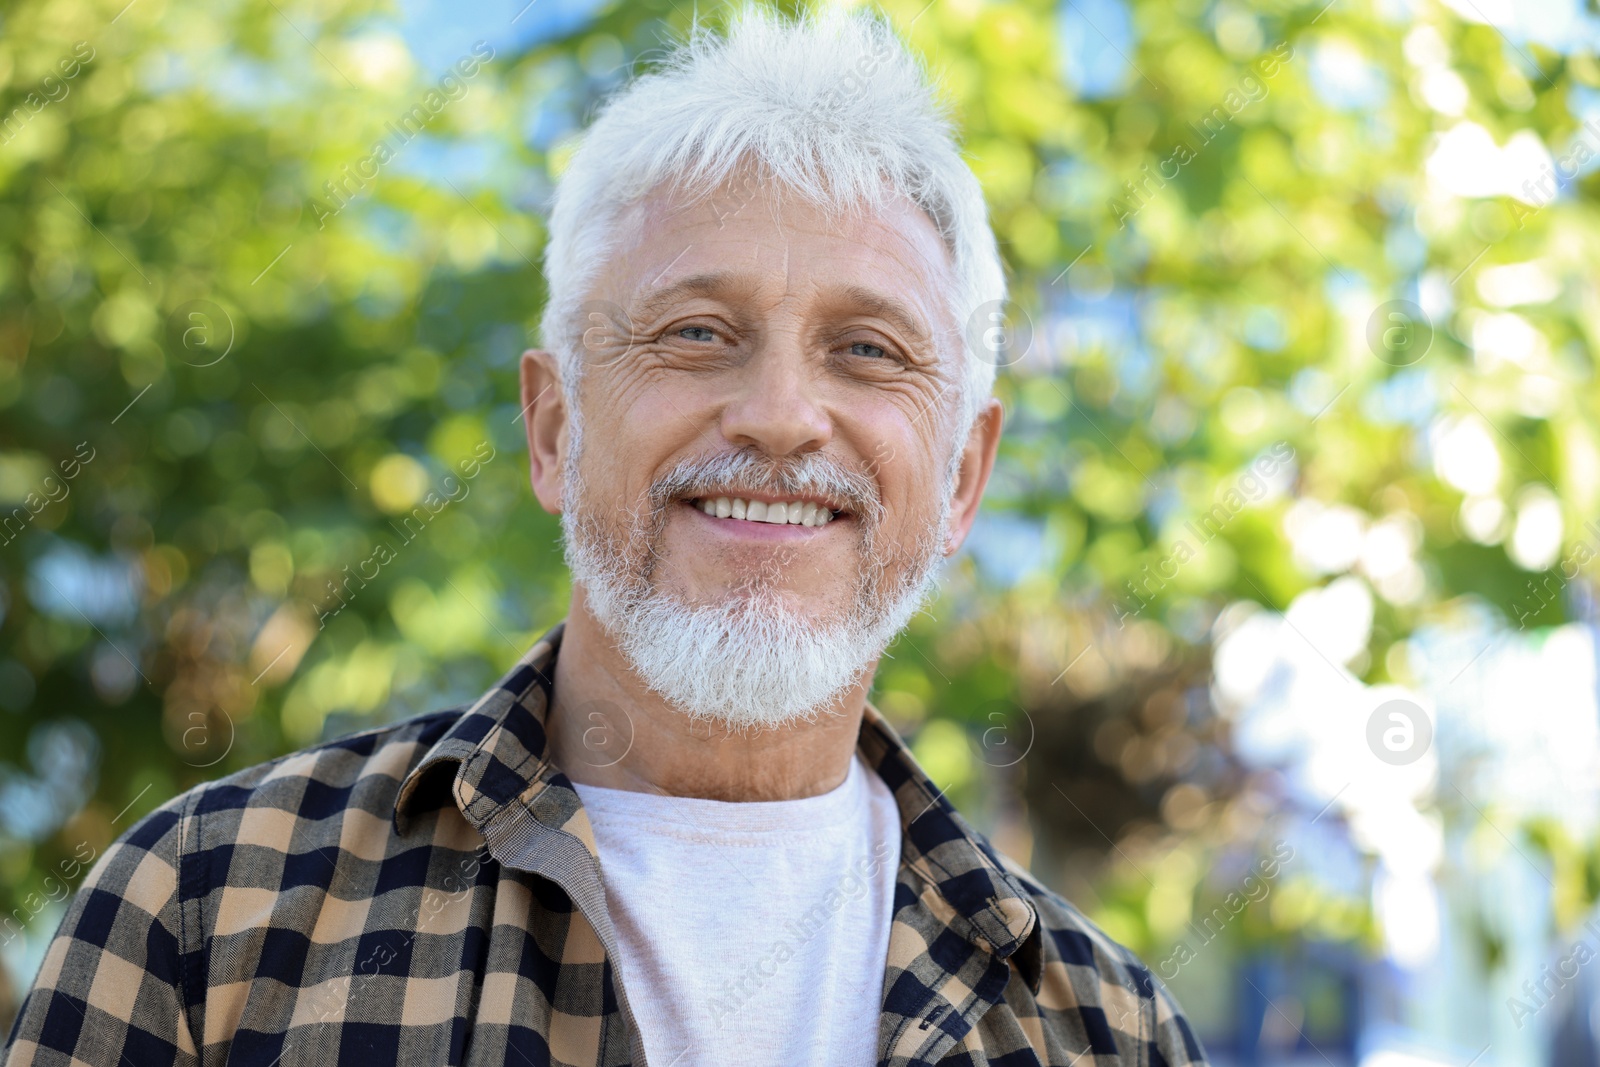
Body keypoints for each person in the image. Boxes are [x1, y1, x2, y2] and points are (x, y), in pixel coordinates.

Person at [4, 6, 1208, 1065]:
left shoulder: (1102, 1031)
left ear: (962, 476)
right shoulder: (210, 913)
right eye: (694, 332)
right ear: (552, 427)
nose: (781, 416)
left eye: (870, 350)